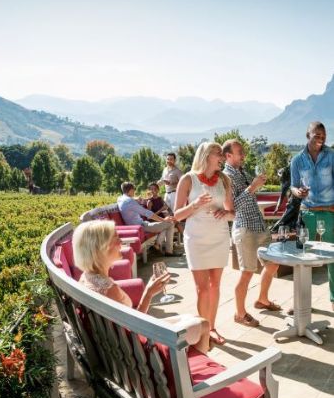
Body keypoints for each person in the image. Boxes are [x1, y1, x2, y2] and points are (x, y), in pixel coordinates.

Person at [72, 220, 210, 353]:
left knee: (191, 318)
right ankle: (198, 369)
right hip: (139, 351)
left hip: (118, 345)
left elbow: (130, 323)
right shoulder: (109, 290)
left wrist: (149, 292)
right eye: (115, 239)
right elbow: (135, 328)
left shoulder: (87, 277)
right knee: (204, 325)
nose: (121, 242)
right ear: (101, 247)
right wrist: (148, 294)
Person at [174, 142, 235, 345]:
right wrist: (195, 205)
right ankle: (203, 332)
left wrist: (225, 213)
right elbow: (177, 215)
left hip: (219, 237)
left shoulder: (224, 180)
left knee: (215, 285)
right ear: (207, 155)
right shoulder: (188, 179)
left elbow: (232, 213)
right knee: (202, 289)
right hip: (196, 239)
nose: (223, 157)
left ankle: (213, 328)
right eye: (219, 154)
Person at [222, 139, 281, 328]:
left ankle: (262, 299)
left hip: (259, 226)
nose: (244, 155)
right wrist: (253, 187)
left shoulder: (241, 171)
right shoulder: (225, 177)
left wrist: (254, 185)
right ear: (228, 155)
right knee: (247, 273)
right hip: (245, 228)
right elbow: (232, 208)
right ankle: (240, 314)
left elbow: (247, 198)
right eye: (240, 152)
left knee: (273, 264)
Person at [290, 121, 334, 311]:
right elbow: (292, 185)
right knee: (302, 259)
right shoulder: (297, 160)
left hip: (330, 212)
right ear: (307, 135)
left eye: (323, 136)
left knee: (333, 259)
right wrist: (297, 192)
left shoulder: (331, 156)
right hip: (307, 213)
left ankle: (333, 300)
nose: (321, 139)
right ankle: (300, 300)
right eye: (317, 135)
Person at [117, 181, 177, 255]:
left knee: (166, 226)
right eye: (134, 190)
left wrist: (137, 199)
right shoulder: (130, 201)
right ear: (131, 190)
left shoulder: (120, 199)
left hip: (137, 225)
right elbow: (147, 213)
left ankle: (157, 244)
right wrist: (163, 219)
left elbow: (131, 201)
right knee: (170, 223)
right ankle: (168, 251)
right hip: (141, 226)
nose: (134, 192)